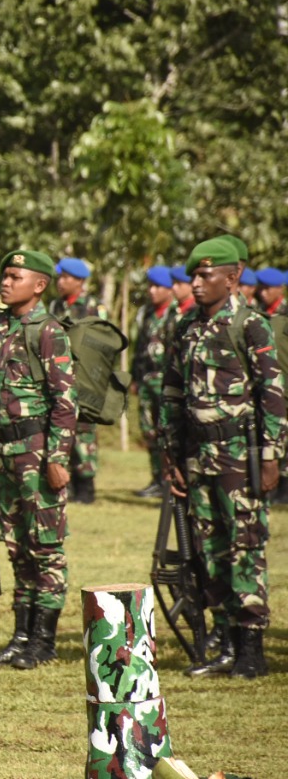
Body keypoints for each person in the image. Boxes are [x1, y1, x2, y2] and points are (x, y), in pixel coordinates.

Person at [160, 238, 284, 680]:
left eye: (204, 275)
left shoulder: (251, 325)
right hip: (197, 456)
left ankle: (251, 648)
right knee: (208, 551)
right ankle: (224, 642)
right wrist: (169, 453)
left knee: (244, 548)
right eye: (192, 275)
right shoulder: (186, 326)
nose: (194, 284)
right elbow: (172, 391)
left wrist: (271, 457)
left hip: (239, 455)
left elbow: (272, 395)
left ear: (232, 278)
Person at [0, 250, 77, 670]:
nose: (5, 281)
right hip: (3, 452)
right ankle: (21, 635)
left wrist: (57, 456)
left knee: (45, 546)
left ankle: (44, 640)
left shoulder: (48, 331)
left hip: (36, 452)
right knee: (17, 545)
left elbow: (64, 402)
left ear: (38, 285)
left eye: (15, 276)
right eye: (5, 275)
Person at [52, 257, 106, 503]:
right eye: (59, 277)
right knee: (63, 431)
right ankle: (68, 483)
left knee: (84, 433)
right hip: (59, 380)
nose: (60, 282)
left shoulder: (94, 307)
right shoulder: (55, 306)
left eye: (66, 278)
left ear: (80, 281)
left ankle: (87, 487)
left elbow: (105, 345)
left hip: (86, 380)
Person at [130, 266, 178, 498]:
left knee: (167, 432)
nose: (152, 291)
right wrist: (134, 377)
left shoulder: (176, 313)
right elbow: (139, 348)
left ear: (170, 289)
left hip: (166, 382)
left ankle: (169, 478)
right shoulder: (147, 313)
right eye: (150, 286)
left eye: (158, 286)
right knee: (149, 432)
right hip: (147, 381)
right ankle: (156, 478)